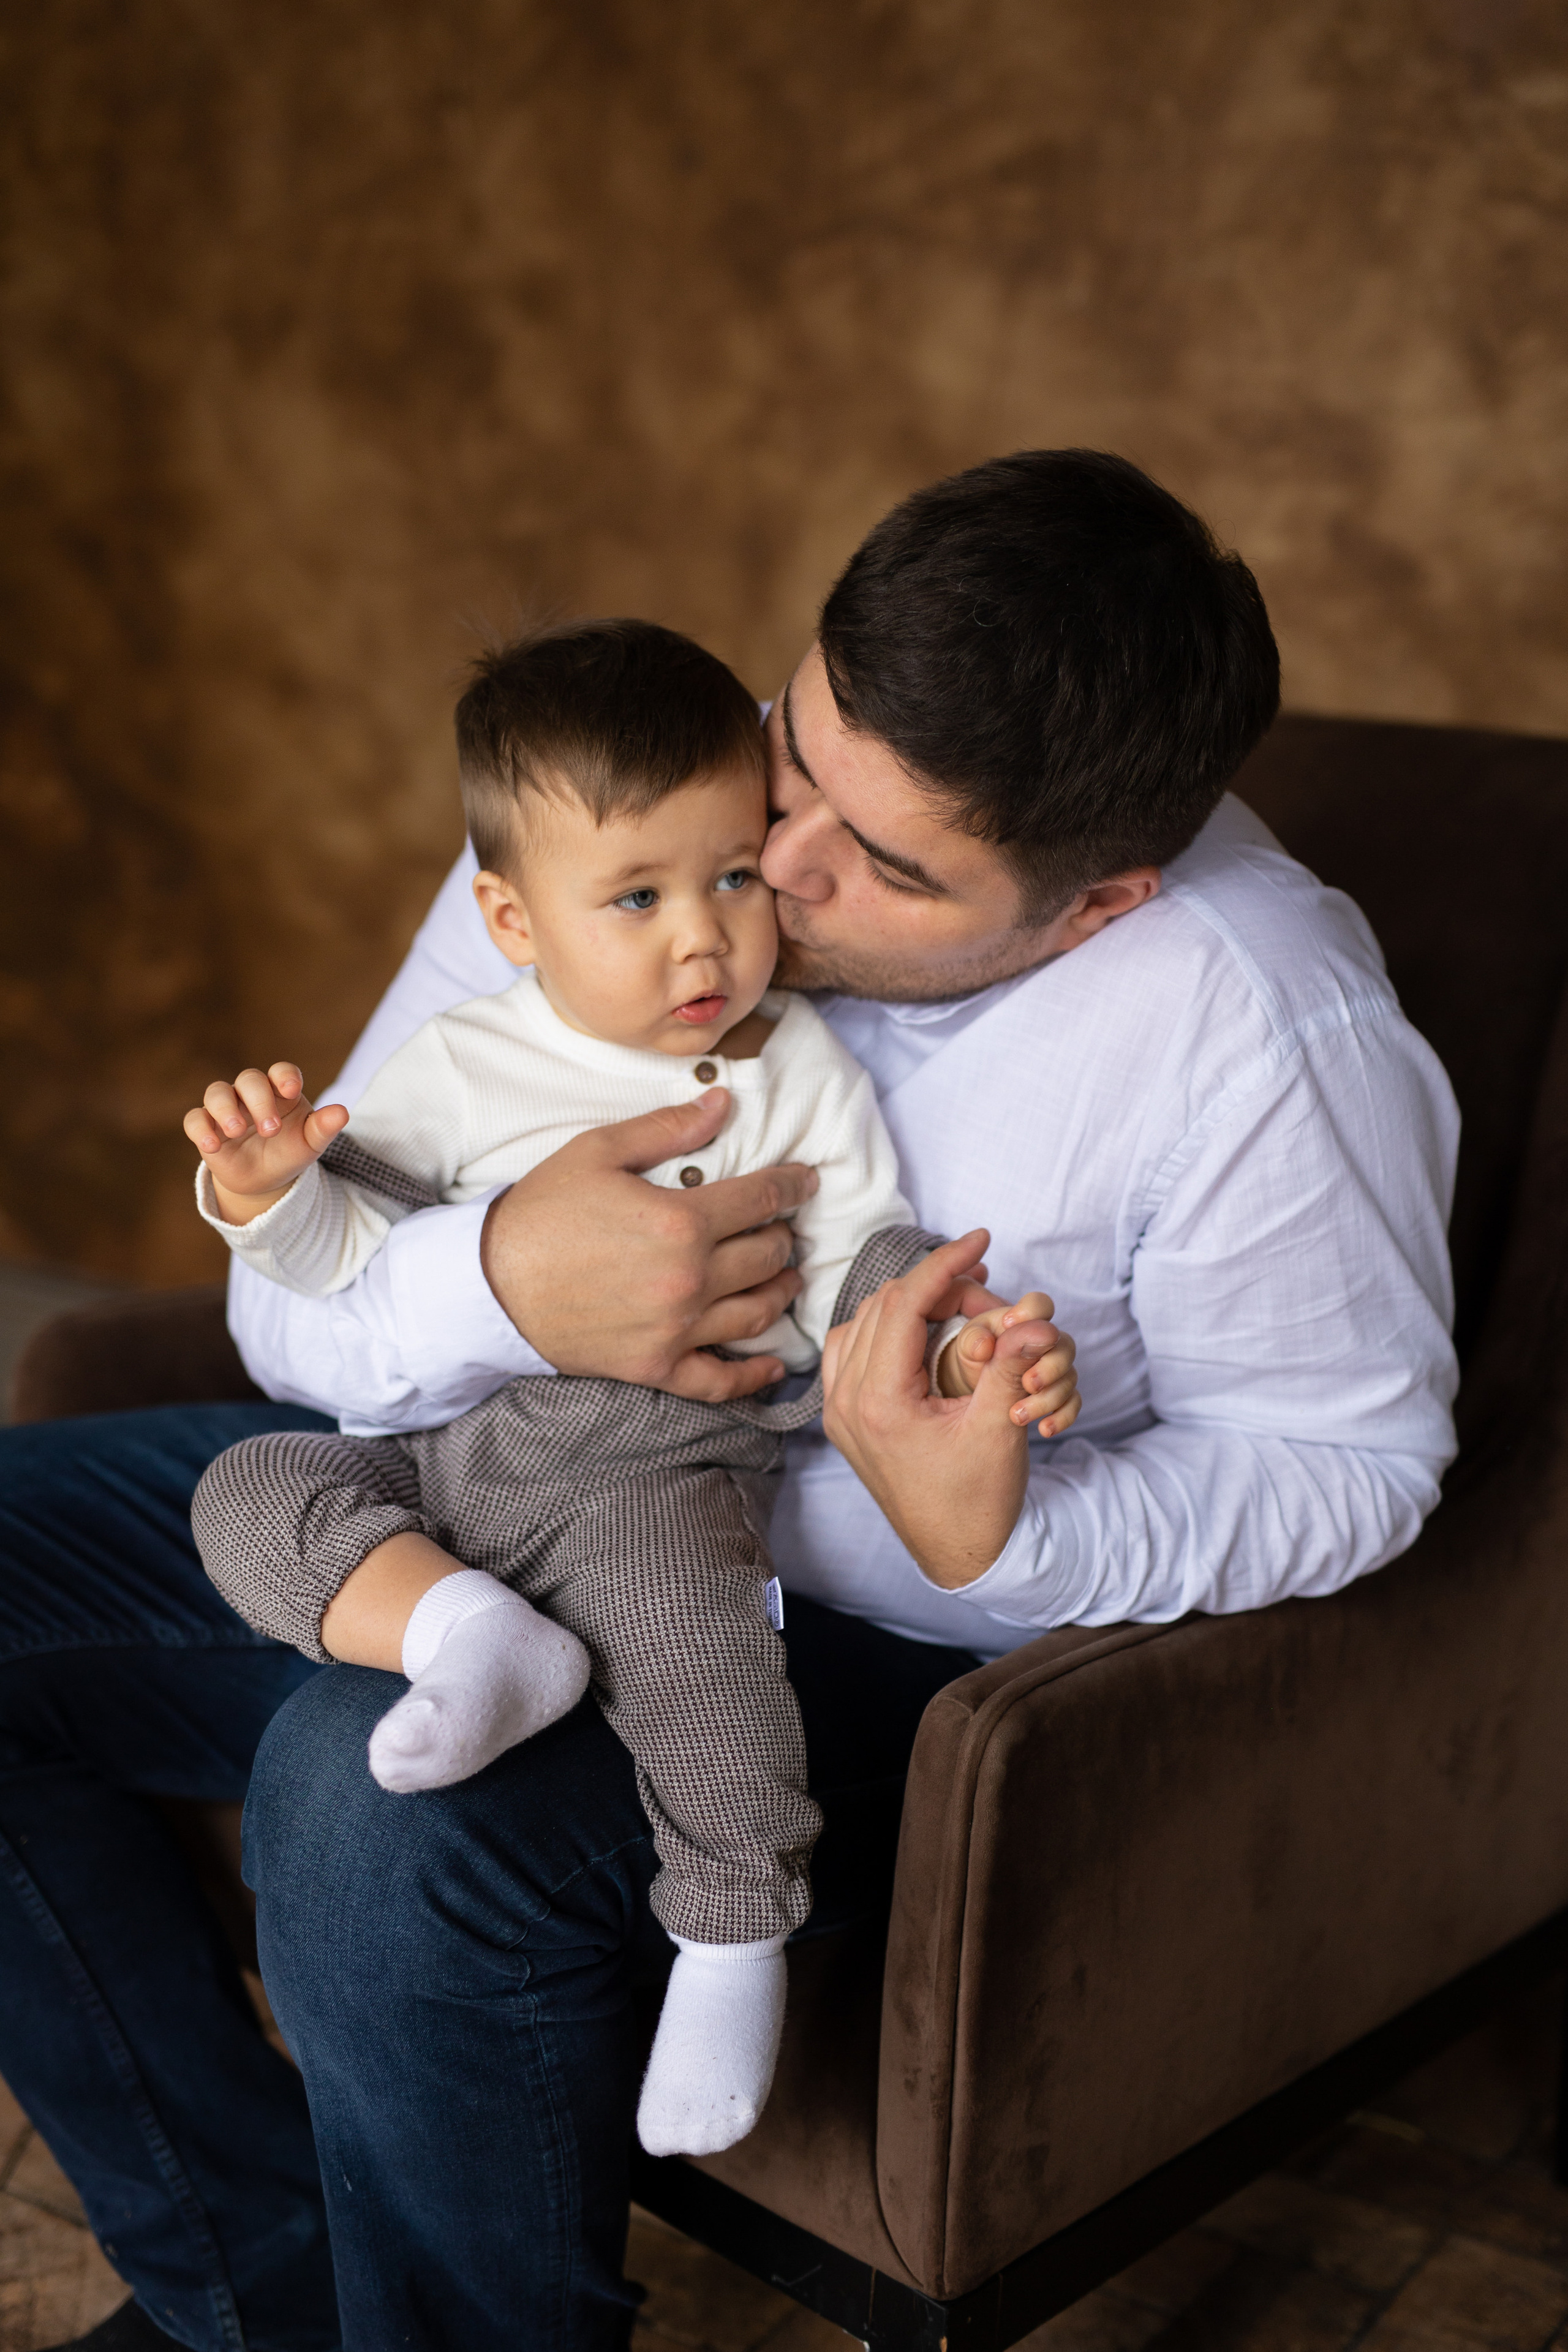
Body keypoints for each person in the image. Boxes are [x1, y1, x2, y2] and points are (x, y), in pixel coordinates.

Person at [0, 450, 1458, 2352]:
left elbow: (1359, 1468)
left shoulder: (1267, 1032)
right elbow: (294, 1322)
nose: (775, 868)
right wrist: (499, 1273)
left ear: (1096, 904)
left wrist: (1017, 1527)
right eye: (806, 750)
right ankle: (265, 2302)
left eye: (892, 866)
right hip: (444, 1500)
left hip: (835, 1642)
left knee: (368, 1816)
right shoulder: (646, 794)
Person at [182, 617, 1078, 2162]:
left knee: (697, 1649)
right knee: (247, 1491)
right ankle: (470, 1638)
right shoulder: (462, 1064)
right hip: (442, 1463)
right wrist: (266, 1195)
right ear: (512, 921)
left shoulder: (791, 1067)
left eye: (735, 875)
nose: (704, 940)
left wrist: (954, 1353)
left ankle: (731, 1943)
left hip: (657, 1473)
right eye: (638, 897)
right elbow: (337, 1257)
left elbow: (864, 1269)